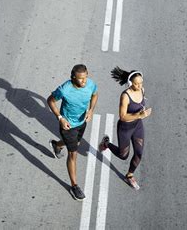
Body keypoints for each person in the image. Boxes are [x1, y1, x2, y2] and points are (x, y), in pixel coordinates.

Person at [47, 64, 98, 201]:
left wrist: (91, 110)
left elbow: (94, 94)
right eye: (81, 79)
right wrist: (60, 118)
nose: (84, 82)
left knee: (76, 143)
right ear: (73, 78)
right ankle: (74, 186)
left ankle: (57, 145)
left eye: (85, 78)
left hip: (82, 123)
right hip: (67, 125)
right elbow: (50, 100)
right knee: (73, 153)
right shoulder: (65, 89)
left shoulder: (90, 84)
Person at [99, 67, 152, 190]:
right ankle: (106, 144)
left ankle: (129, 175)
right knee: (123, 155)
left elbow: (140, 105)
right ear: (130, 83)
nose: (139, 86)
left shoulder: (142, 90)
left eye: (141, 83)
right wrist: (139, 115)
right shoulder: (125, 96)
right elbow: (122, 116)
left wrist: (142, 112)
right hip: (125, 128)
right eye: (136, 83)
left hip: (137, 126)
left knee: (139, 153)